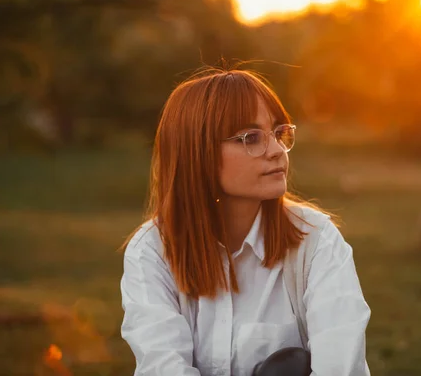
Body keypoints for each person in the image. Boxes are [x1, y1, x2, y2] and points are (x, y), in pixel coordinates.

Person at [119, 68, 371, 376]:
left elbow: (341, 369)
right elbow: (162, 368)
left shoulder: (317, 241)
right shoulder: (152, 251)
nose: (277, 151)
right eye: (251, 138)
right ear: (198, 151)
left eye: (279, 133)